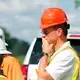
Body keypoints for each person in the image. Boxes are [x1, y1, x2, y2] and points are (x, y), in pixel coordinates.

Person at [37, 8, 80, 80]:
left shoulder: (67, 55)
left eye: (46, 32)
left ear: (59, 32)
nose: (43, 35)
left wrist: (45, 54)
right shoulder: (52, 54)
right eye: (42, 32)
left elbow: (43, 78)